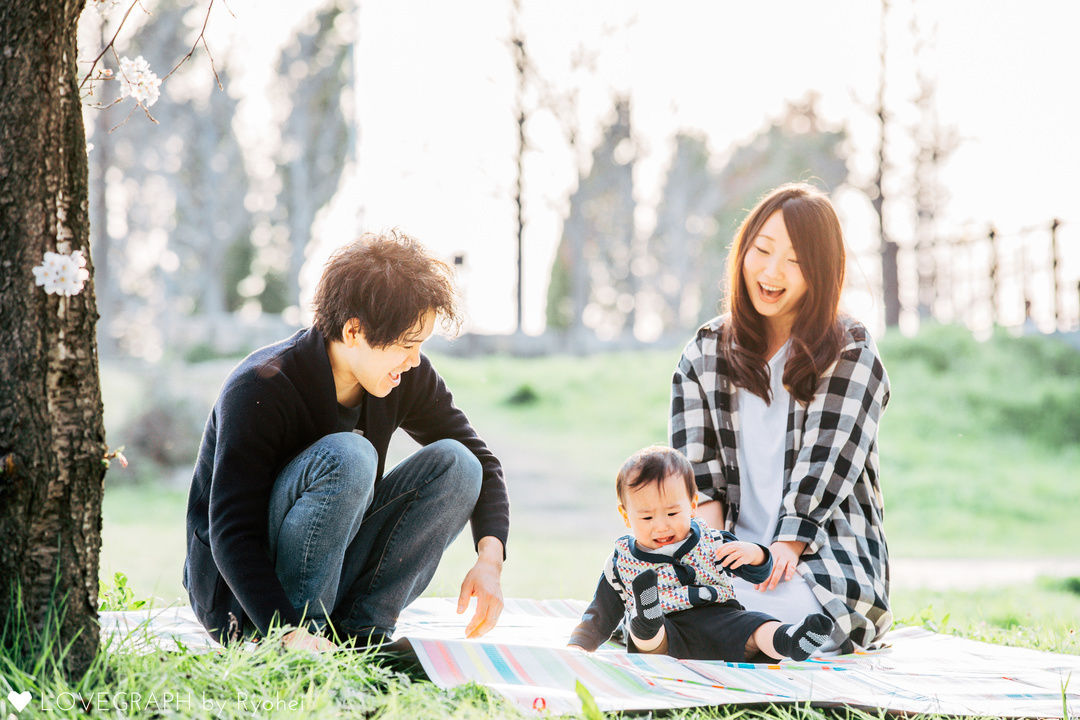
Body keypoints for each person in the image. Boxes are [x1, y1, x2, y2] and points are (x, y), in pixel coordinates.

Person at [183, 230, 508, 651]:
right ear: (354, 330)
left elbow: (481, 461)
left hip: (333, 572)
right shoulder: (261, 387)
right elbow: (229, 530)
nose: (414, 360)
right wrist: (285, 629)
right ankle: (305, 639)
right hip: (244, 603)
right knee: (350, 454)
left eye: (420, 345)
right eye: (407, 344)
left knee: (458, 465)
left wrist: (489, 560)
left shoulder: (405, 376)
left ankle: (361, 636)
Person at [669, 183, 891, 654]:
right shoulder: (705, 351)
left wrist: (783, 549)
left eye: (795, 260)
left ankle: (716, 634)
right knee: (650, 590)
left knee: (790, 613)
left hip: (818, 562)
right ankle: (734, 633)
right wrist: (711, 558)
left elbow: (825, 465)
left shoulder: (849, 350)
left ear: (822, 271)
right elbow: (699, 479)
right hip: (731, 558)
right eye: (762, 251)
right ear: (742, 252)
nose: (772, 272)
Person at [568, 446, 834, 661]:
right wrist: (581, 644)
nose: (661, 525)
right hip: (668, 631)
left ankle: (791, 639)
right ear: (626, 516)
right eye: (647, 517)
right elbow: (601, 610)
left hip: (720, 620)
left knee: (755, 626)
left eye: (672, 513)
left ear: (693, 505)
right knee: (646, 635)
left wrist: (754, 555)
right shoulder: (623, 561)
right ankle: (646, 614)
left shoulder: (712, 541)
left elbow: (756, 574)